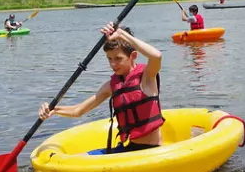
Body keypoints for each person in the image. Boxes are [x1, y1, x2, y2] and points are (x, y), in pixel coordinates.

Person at [38, 23, 164, 154]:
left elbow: (156, 56)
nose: (113, 64)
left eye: (118, 58)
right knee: (83, 157)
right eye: (109, 59)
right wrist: (53, 110)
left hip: (151, 151)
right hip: (129, 149)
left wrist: (121, 34)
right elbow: (78, 110)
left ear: (133, 56)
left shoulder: (147, 76)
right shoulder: (111, 85)